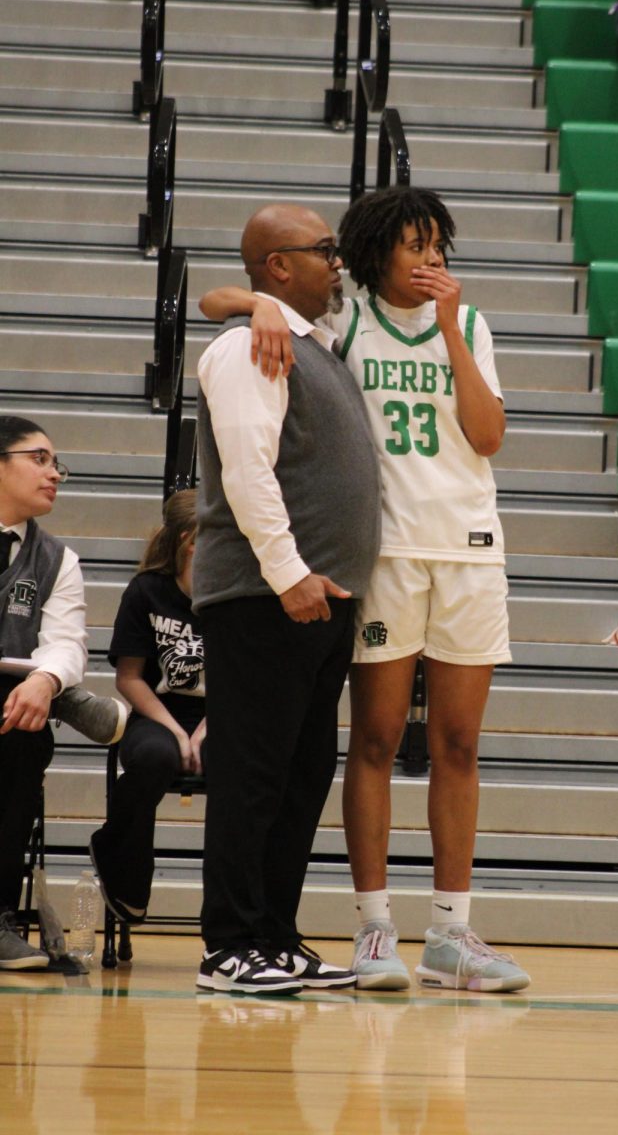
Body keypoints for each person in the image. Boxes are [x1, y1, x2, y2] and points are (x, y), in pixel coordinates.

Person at [200, 185, 531, 993]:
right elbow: (219, 299)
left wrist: (450, 326)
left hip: (469, 548)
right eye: (414, 246)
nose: (431, 260)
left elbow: (488, 435)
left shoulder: (473, 323)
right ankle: (374, 927)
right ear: (376, 252)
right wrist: (258, 303)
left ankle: (451, 932)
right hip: (382, 557)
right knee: (373, 741)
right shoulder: (339, 321)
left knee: (456, 745)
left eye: (439, 246)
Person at [193, 202, 381, 996]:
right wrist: (289, 573)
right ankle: (229, 944)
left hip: (318, 601)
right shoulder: (248, 347)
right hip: (265, 597)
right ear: (276, 265)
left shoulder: (316, 345)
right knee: (252, 772)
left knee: (302, 773)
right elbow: (247, 473)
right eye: (323, 251)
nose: (338, 263)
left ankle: (274, 934)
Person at [89, 489, 204, 925]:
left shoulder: (234, 594)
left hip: (224, 716)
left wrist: (205, 730)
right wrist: (177, 732)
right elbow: (129, 678)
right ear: (191, 540)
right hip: (157, 713)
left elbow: (244, 681)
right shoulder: (146, 591)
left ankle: (239, 909)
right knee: (157, 756)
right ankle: (121, 861)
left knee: (245, 765)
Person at [0, 416, 87, 971]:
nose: (54, 473)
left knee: (24, 736)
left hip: (8, 701)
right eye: (39, 458)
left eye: (57, 464)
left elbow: (67, 644)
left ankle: (0, 916)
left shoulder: (60, 560)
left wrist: (44, 679)